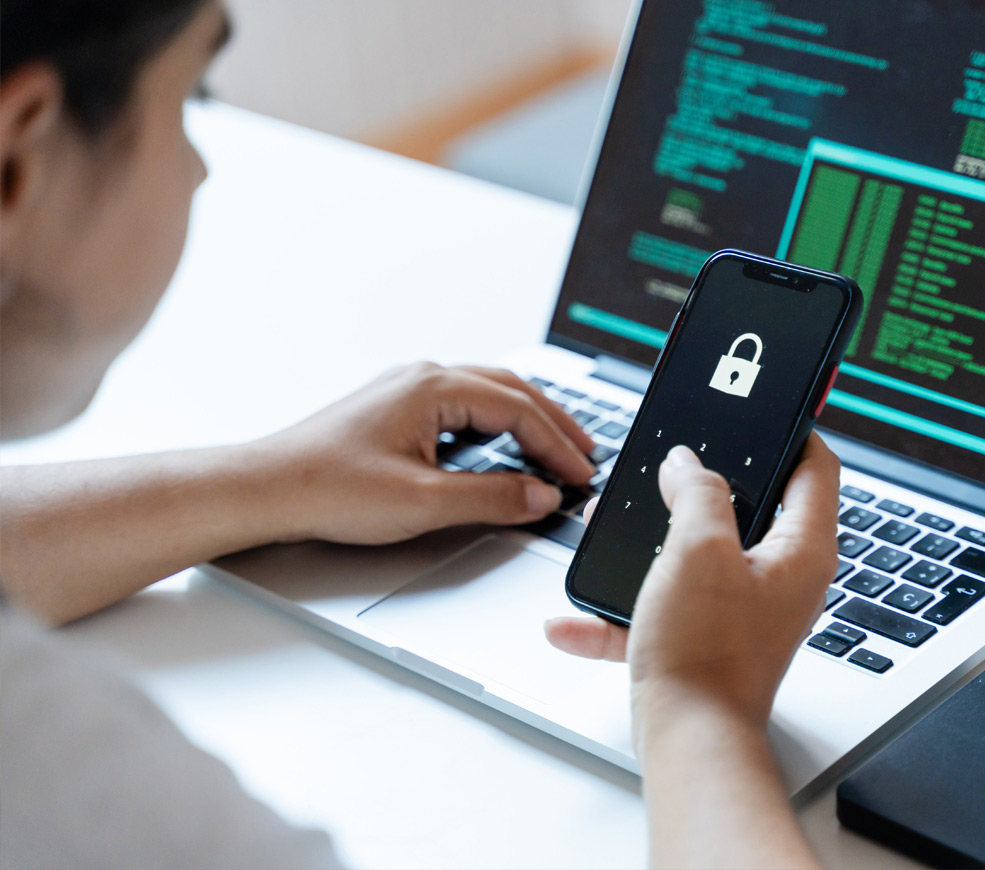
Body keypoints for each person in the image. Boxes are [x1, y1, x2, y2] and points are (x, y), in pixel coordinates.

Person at [0, 1, 839, 866]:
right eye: (191, 99)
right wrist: (697, 701)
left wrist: (273, 482)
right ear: (16, 163)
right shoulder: (56, 775)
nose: (202, 169)